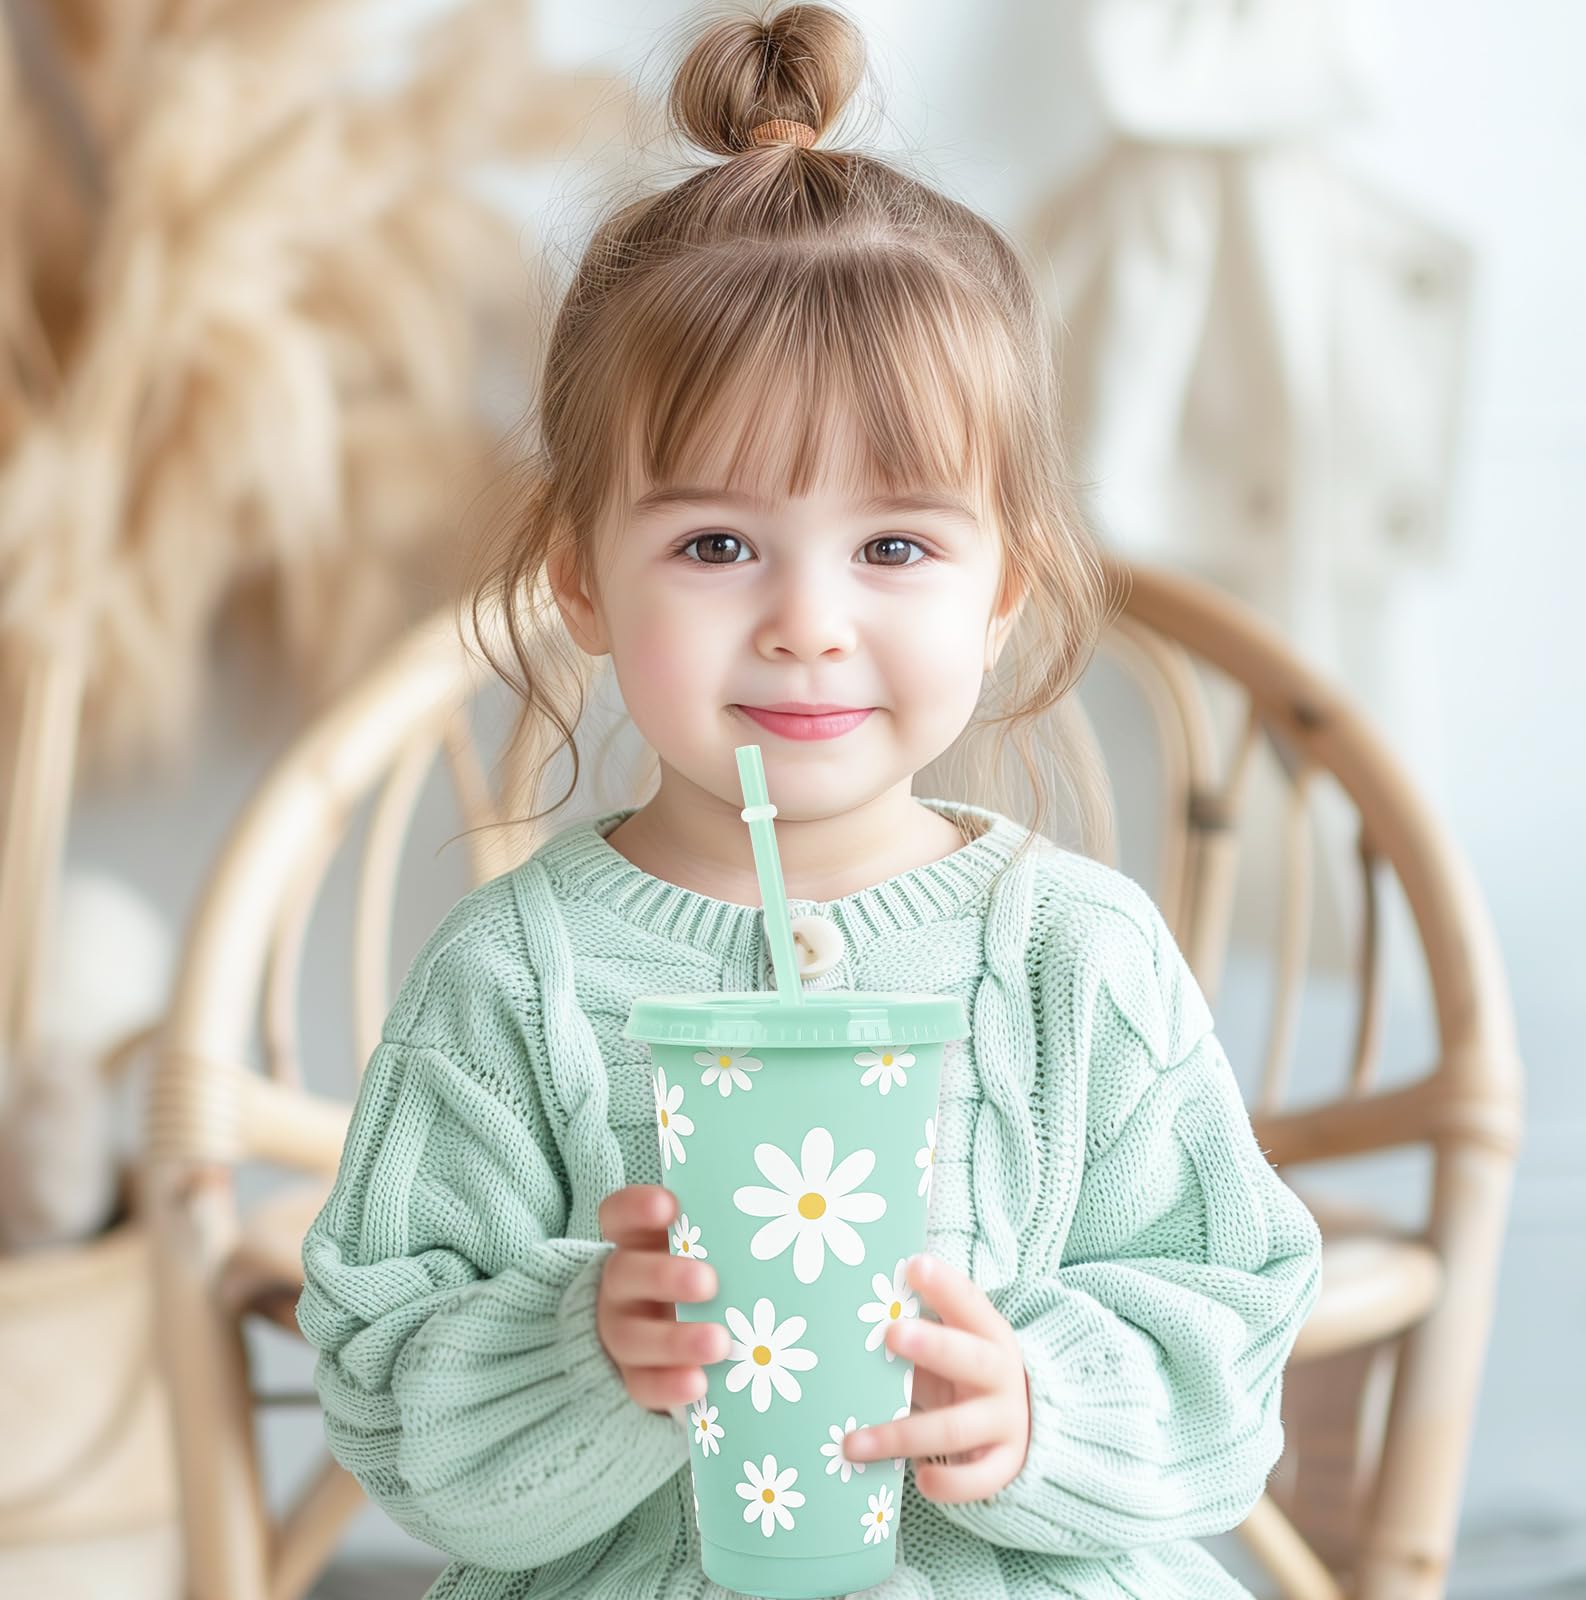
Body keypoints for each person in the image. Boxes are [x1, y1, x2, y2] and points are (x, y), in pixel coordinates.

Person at [296, 6, 1323, 1597]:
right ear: (579, 573)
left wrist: (1038, 1404)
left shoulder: (1075, 956)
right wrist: (583, 1352)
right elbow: (384, 1375)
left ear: (1004, 591)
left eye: (896, 547)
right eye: (716, 545)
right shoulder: (517, 977)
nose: (808, 620)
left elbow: (1231, 1326)